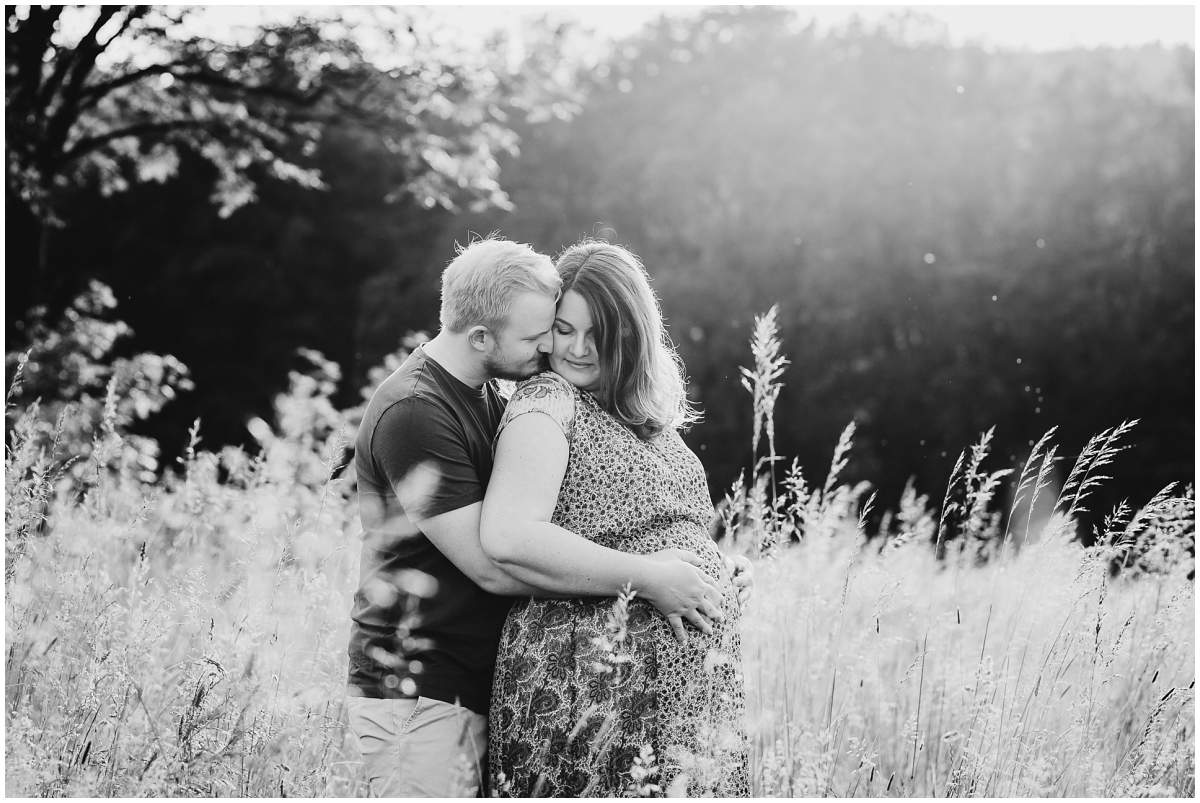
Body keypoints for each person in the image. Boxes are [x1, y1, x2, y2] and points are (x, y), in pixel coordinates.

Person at [345, 237, 743, 797]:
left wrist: (708, 572)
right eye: (544, 334)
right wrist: (653, 577)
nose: (554, 351)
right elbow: (495, 561)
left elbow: (575, 520)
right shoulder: (416, 411)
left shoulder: (482, 394)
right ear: (482, 338)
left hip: (471, 675)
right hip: (420, 685)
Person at [480, 240, 750, 796]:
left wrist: (718, 569)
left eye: (597, 333)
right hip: (588, 688)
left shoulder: (641, 415)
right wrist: (650, 577)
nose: (577, 349)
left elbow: (654, 527)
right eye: (563, 328)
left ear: (631, 333)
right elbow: (509, 535)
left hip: (683, 700)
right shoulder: (548, 401)